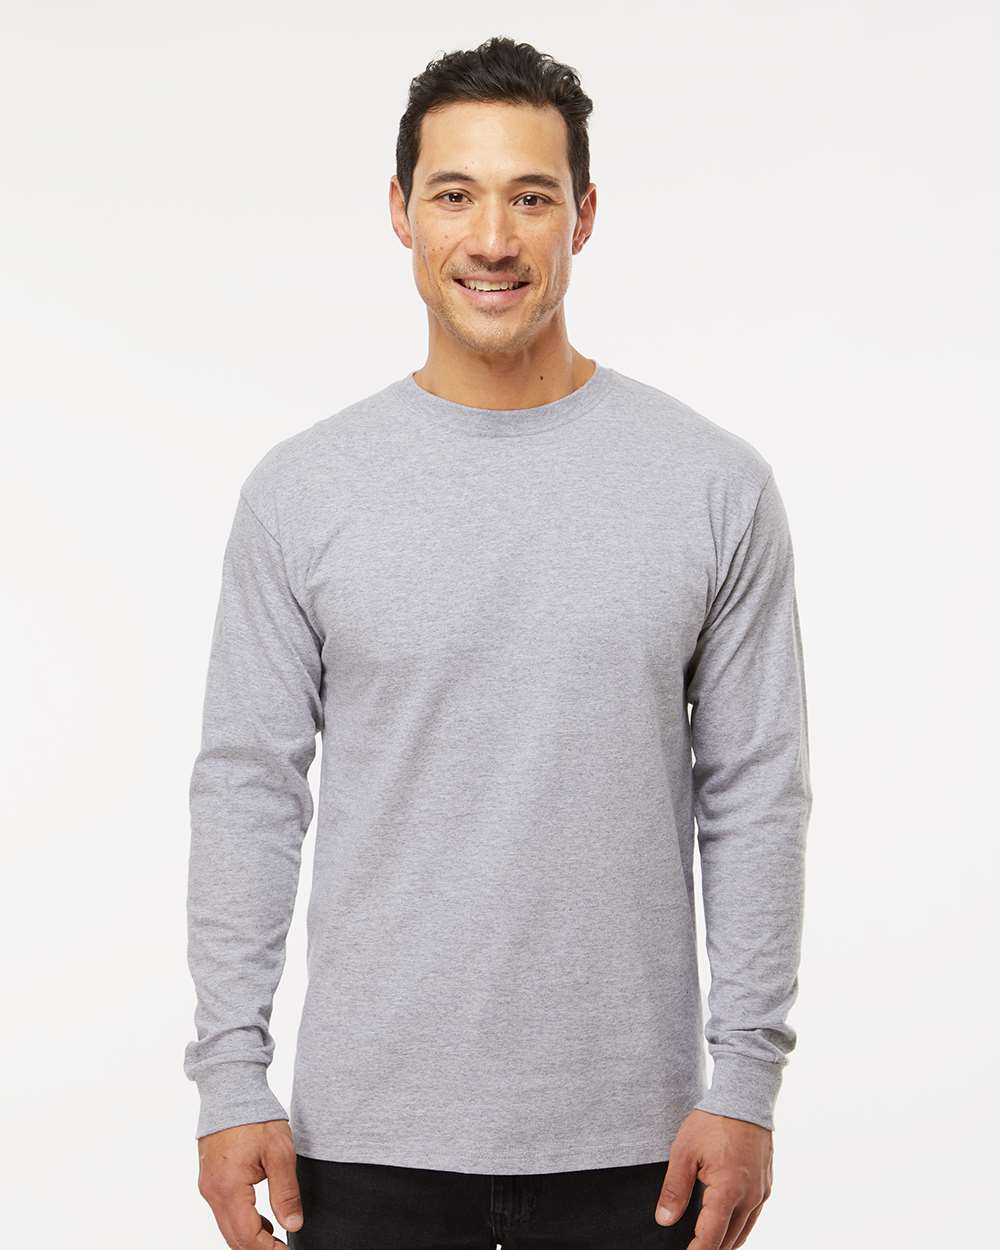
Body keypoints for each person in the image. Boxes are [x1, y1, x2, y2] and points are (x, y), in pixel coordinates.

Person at [184, 34, 813, 1250]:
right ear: (399, 211)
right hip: (361, 1139)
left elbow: (755, 793)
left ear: (584, 216)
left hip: (642, 1144)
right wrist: (228, 1074)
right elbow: (248, 791)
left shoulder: (709, 486)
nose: (491, 238)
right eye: (453, 194)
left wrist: (745, 1078)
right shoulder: (303, 493)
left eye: (529, 197)